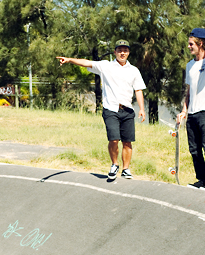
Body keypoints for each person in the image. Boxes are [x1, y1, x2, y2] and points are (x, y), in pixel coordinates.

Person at [57, 40, 146, 180]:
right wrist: (69, 60)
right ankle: (114, 164)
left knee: (127, 142)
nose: (122, 53)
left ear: (128, 52)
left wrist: (142, 108)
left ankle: (126, 169)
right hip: (111, 108)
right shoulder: (106, 66)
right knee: (114, 139)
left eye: (125, 50)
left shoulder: (134, 70)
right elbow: (87, 62)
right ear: (115, 52)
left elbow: (138, 90)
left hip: (127, 110)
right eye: (119, 50)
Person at [177, 28, 205, 192]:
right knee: (194, 150)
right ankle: (202, 180)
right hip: (193, 113)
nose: (189, 47)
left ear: (200, 43)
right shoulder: (189, 66)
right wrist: (184, 111)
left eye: (191, 44)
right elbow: (189, 91)